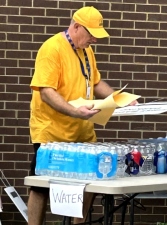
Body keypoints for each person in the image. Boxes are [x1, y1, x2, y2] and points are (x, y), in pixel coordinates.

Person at [28, 6, 137, 225]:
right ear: (76, 27)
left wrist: (121, 98)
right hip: (51, 133)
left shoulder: (86, 51)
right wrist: (74, 111)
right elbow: (46, 92)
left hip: (82, 132)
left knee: (89, 184)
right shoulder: (52, 49)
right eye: (92, 34)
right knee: (41, 186)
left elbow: (95, 83)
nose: (94, 40)